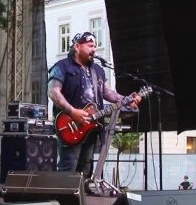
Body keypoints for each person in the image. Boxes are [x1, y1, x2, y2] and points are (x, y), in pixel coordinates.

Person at [48, 31, 142, 178]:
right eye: (90, 46)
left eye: (95, 46)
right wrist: (73, 112)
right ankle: (64, 194)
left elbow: (108, 93)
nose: (94, 49)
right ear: (77, 46)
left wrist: (127, 99)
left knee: (85, 170)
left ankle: (81, 192)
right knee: (69, 167)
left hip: (91, 127)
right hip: (70, 125)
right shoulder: (62, 66)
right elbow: (53, 92)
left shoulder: (97, 70)